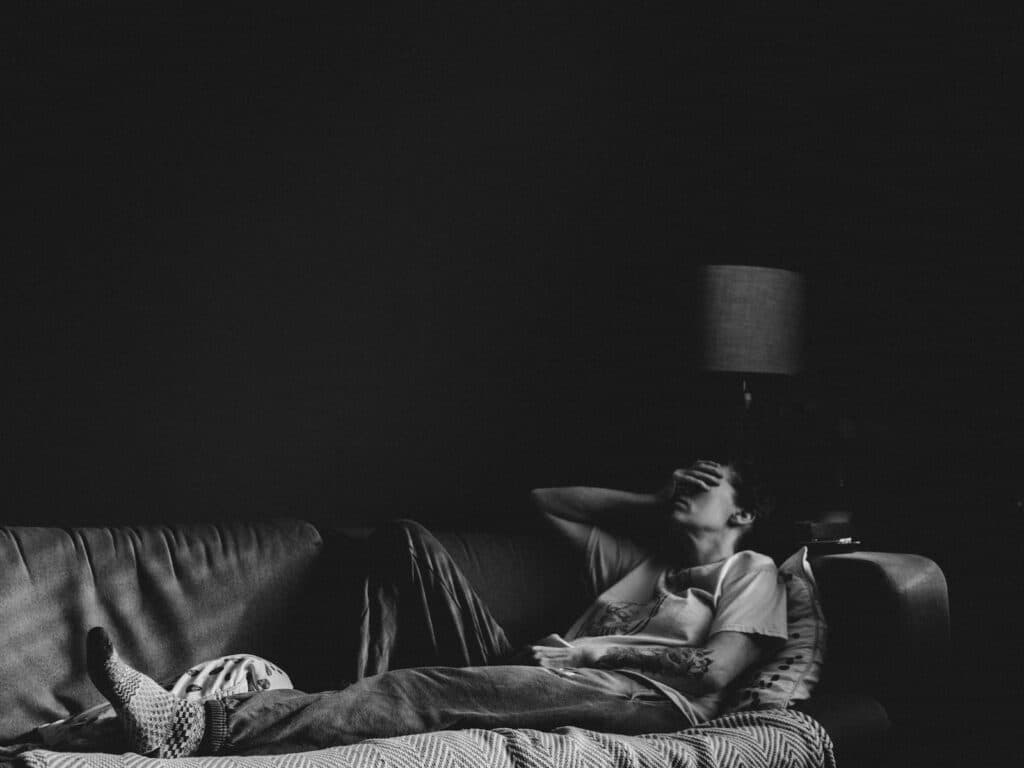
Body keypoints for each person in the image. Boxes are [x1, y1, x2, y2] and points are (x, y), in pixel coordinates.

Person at [83, 459, 787, 757]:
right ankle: (335, 713)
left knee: (416, 687)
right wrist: (651, 503)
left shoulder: (748, 569)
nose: (691, 477)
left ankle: (193, 728)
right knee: (404, 544)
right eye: (687, 470)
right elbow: (549, 503)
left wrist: (589, 650)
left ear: (746, 513)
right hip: (538, 671)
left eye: (712, 477)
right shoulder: (641, 561)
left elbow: (709, 669)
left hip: (642, 697)